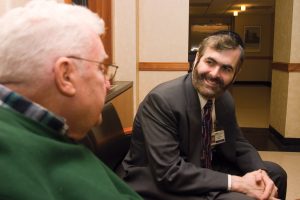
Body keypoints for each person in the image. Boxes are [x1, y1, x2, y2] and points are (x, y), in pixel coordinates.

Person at [118, 31, 287, 200]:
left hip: (202, 165)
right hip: (158, 179)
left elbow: (237, 143)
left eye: (226, 68)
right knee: (243, 198)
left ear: (235, 75)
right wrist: (237, 183)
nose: (214, 74)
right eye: (210, 62)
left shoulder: (223, 98)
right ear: (197, 59)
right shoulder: (162, 101)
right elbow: (168, 172)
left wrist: (259, 172)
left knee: (275, 175)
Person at [0, 1, 142, 199]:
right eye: (101, 68)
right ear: (66, 76)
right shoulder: (9, 161)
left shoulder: (49, 129)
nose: (107, 83)